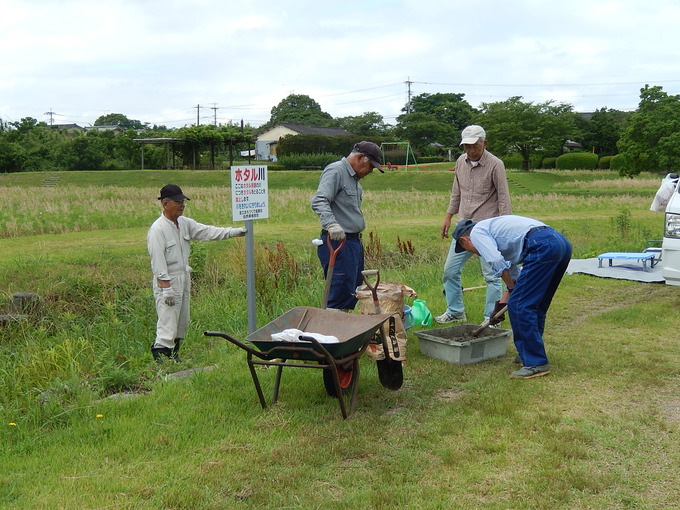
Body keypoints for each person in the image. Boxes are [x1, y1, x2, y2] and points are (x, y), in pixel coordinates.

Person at [452, 215, 572, 378]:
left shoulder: (477, 233)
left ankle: (535, 362)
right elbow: (514, 276)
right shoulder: (494, 232)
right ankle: (528, 353)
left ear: (464, 241)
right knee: (534, 305)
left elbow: (495, 261)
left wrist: (511, 288)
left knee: (520, 306)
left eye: (468, 250)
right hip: (559, 243)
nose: (475, 254)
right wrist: (500, 306)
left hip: (541, 245)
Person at [147, 184, 247, 362]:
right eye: (178, 202)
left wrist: (234, 232)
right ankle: (162, 360)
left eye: (183, 202)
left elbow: (207, 231)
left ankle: (174, 357)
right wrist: (166, 288)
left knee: (181, 321)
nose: (182, 205)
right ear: (165, 203)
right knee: (167, 321)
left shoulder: (184, 223)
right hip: (168, 282)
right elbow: (158, 262)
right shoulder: (158, 230)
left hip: (184, 277)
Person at [437, 125, 512, 324]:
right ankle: (455, 311)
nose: (471, 151)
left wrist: (506, 227)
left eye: (475, 146)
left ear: (484, 144)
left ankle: (491, 317)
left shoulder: (496, 164)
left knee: (492, 275)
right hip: (463, 227)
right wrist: (448, 217)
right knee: (450, 270)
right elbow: (456, 192)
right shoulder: (461, 161)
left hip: (488, 229)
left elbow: (504, 198)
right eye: (467, 146)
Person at [311, 141, 384, 310]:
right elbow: (320, 200)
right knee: (339, 292)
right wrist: (332, 225)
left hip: (352, 243)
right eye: (370, 167)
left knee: (352, 292)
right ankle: (331, 333)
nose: (370, 172)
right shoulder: (336, 171)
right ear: (360, 157)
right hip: (337, 243)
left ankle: (343, 330)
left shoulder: (354, 179)